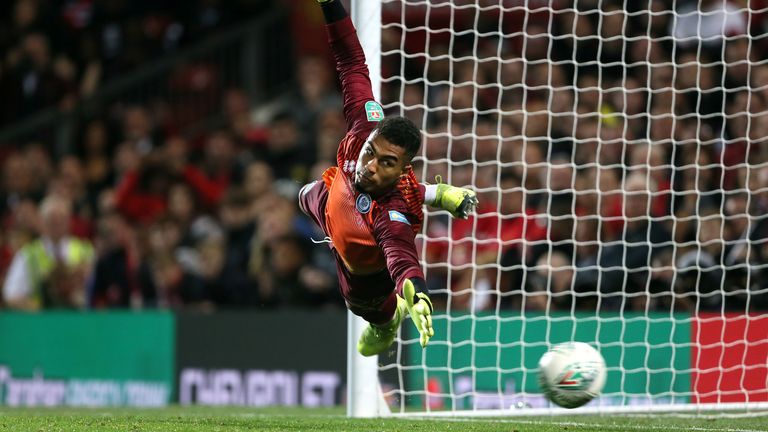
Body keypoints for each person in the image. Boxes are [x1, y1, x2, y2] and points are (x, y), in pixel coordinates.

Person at [298, 0, 478, 356]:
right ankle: (439, 193)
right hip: (330, 196)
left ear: (402, 170)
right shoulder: (365, 124)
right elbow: (351, 63)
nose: (371, 166)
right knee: (304, 193)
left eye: (387, 163)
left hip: (362, 270)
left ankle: (387, 322)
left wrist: (418, 294)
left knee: (367, 311)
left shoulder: (392, 213)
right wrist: (331, 6)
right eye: (371, 153)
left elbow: (401, 259)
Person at [3, 195, 95, 310]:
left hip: (79, 320)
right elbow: (11, 295)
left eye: (61, 218)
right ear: (42, 221)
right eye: (52, 219)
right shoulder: (27, 255)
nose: (57, 223)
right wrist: (36, 308)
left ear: (69, 221)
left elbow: (98, 290)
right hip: (41, 322)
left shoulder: (85, 251)